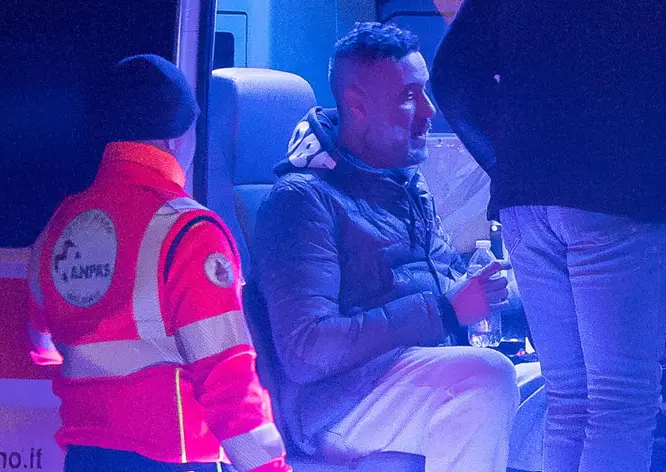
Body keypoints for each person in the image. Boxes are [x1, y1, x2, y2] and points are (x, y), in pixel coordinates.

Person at [431, 1, 666, 471]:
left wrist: (510, 161)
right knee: (619, 406)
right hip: (626, 193)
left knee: (569, 401)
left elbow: (451, 79)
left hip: (527, 203)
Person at [252, 22, 536, 472]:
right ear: (357, 105)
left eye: (425, 92)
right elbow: (307, 349)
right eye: (409, 96)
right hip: (339, 403)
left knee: (557, 386)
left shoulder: (404, 185)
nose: (428, 110)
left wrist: (523, 294)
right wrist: (444, 311)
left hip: (419, 372)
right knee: (485, 376)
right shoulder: (302, 200)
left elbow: (450, 283)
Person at [26, 54, 292, 472]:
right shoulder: (191, 231)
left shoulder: (58, 227)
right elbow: (227, 380)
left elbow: (42, 347)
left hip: (84, 458)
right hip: (175, 460)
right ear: (176, 139)